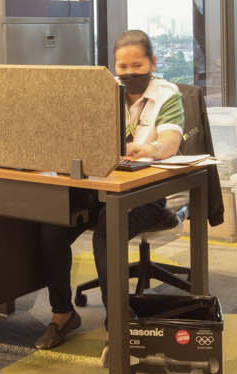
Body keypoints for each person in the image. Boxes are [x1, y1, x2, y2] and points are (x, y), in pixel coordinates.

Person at [35, 29, 183, 350]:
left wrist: (150, 149)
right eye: (123, 67)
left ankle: (116, 323)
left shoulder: (167, 94)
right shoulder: (104, 91)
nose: (129, 73)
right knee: (51, 226)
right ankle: (62, 313)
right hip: (99, 188)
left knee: (106, 233)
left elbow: (171, 142)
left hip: (145, 193)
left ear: (153, 62)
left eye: (137, 66)